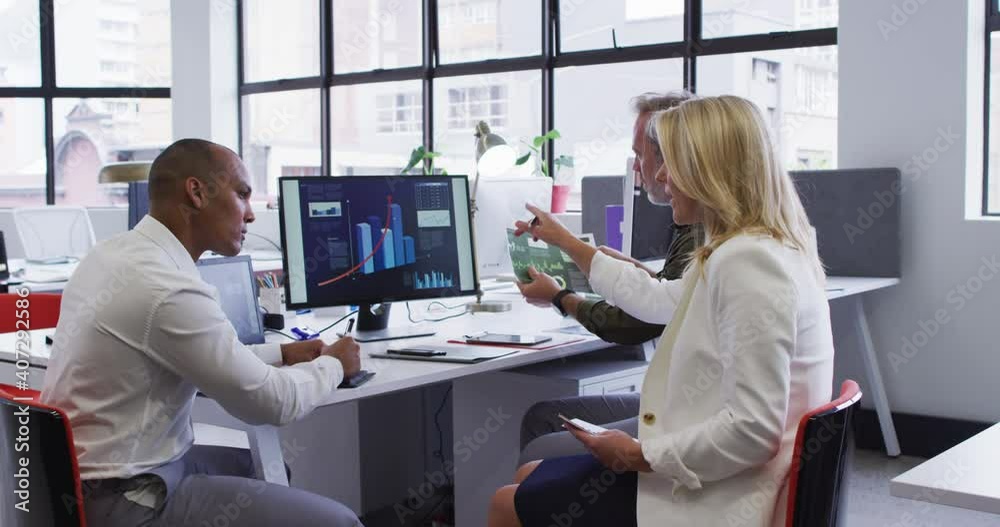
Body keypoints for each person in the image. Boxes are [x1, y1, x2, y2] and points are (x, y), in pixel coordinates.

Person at [488, 95, 835, 527]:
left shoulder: (747, 263)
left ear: (709, 169)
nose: (662, 176)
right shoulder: (759, 247)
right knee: (527, 476)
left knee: (506, 503)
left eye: (673, 162)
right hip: (734, 475)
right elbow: (660, 300)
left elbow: (753, 431)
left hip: (727, 495)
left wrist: (637, 454)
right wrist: (570, 245)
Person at [40, 139, 364, 526]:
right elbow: (271, 403)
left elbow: (198, 353)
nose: (251, 215)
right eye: (242, 195)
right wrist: (334, 364)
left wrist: (281, 354)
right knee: (339, 522)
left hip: (76, 483)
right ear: (196, 193)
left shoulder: (112, 254)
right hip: (127, 501)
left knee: (266, 470)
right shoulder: (167, 287)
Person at [516, 92, 696, 458]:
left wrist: (559, 295)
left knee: (543, 424)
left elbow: (633, 325)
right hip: (683, 406)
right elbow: (674, 298)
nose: (640, 169)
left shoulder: (701, 233)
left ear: (672, 156)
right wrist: (636, 272)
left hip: (682, 422)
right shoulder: (695, 228)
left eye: (641, 154)